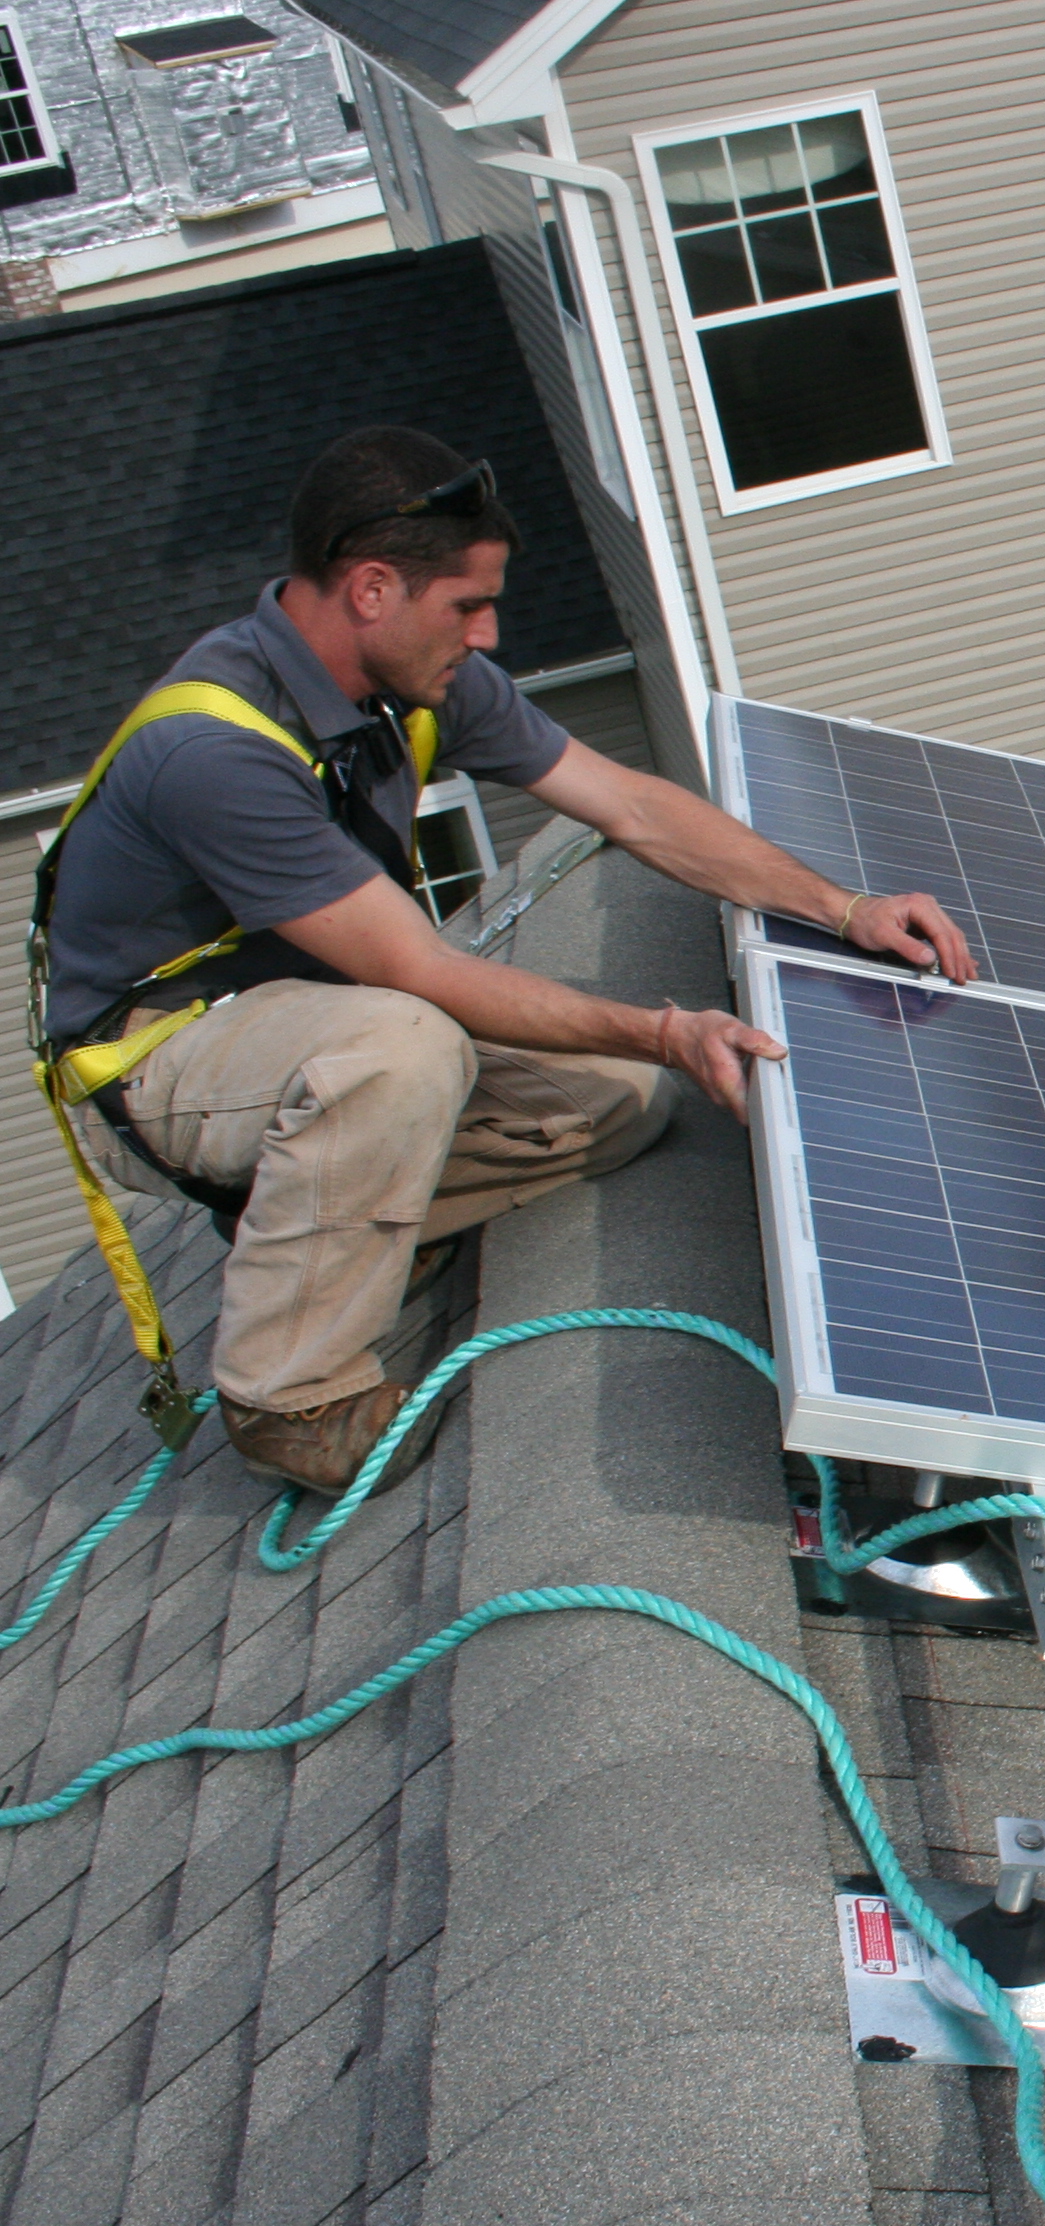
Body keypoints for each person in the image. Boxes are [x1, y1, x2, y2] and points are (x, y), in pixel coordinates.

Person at [37, 427, 976, 1497]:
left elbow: (626, 803)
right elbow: (417, 972)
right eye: (467, 607)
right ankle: (286, 1397)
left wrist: (843, 906)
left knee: (622, 1105)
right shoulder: (215, 751)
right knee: (404, 1049)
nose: (487, 634)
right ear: (373, 589)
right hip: (160, 1054)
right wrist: (671, 1031)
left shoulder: (416, 681)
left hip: (307, 1009)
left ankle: (306, 1212)